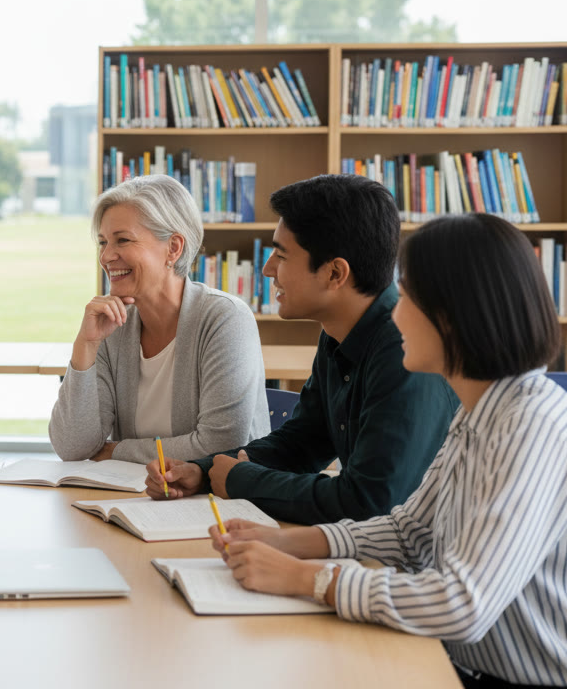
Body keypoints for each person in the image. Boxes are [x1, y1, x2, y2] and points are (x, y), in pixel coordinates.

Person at [211, 214, 567, 688]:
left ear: (456, 315)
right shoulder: (480, 409)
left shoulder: (531, 425)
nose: (396, 314)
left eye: (410, 298)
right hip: (454, 662)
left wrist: (307, 580)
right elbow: (409, 531)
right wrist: (285, 542)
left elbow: (463, 603)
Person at [146, 175, 458, 524]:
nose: (267, 270)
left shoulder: (407, 349)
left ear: (335, 273)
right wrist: (200, 472)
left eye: (281, 255)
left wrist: (242, 481)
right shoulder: (339, 329)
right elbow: (303, 443)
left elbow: (370, 502)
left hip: (420, 565)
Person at [49, 174, 269, 464]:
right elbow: (73, 447)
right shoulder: (112, 326)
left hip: (219, 502)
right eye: (102, 242)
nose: (106, 256)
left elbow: (221, 445)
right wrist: (85, 346)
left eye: (122, 240)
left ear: (173, 248)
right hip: (136, 499)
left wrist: (117, 451)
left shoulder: (226, 319)